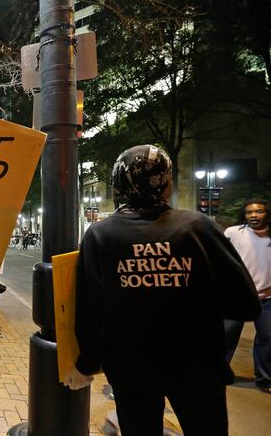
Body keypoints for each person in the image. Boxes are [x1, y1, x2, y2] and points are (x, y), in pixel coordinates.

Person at [65, 145, 261, 436]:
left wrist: (87, 362)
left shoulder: (101, 235)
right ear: (166, 184)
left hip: (131, 370)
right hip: (197, 367)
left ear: (118, 186)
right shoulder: (198, 227)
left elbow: (90, 308)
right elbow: (245, 303)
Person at [223, 199, 271, 393]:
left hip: (267, 299)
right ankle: (219, 372)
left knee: (268, 338)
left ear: (266, 214)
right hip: (237, 296)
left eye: (258, 212)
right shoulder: (233, 233)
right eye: (249, 212)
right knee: (225, 337)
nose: (253, 215)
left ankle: (265, 379)